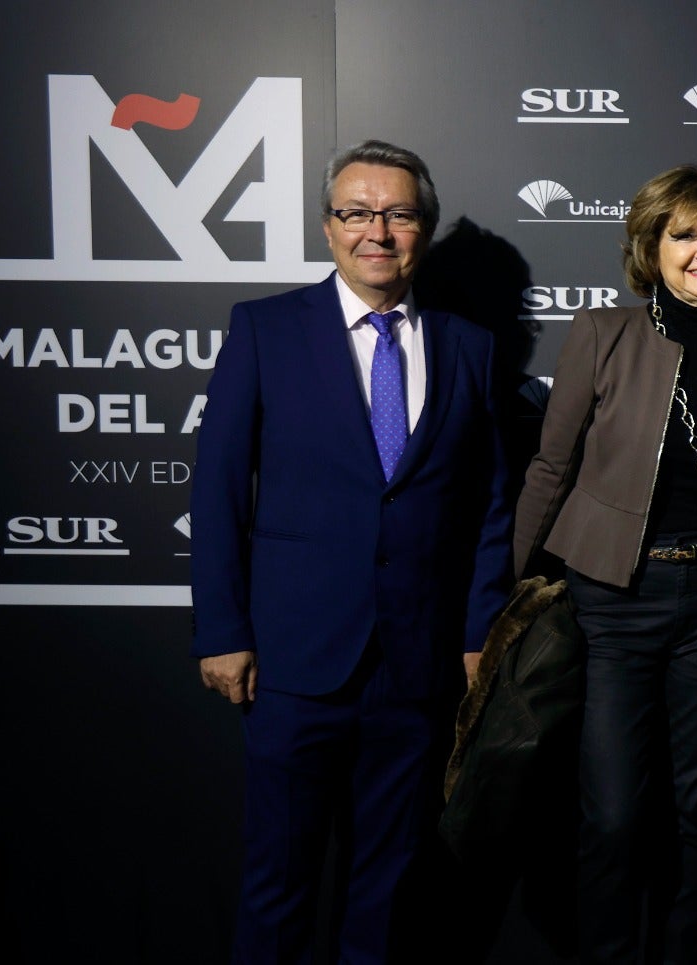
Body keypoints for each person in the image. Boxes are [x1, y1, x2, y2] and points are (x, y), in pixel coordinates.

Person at [190, 139, 513, 964]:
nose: (378, 230)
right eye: (357, 212)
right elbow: (218, 488)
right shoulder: (265, 330)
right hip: (293, 663)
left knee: (389, 889)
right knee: (279, 882)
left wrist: (479, 632)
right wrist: (221, 627)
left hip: (415, 667)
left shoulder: (469, 347)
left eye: (398, 214)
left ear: (423, 229)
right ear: (329, 226)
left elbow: (489, 504)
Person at [511, 163, 697, 965]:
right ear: (649, 247)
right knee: (615, 814)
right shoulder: (603, 333)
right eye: (684, 234)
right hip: (614, 600)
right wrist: (504, 602)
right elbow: (550, 469)